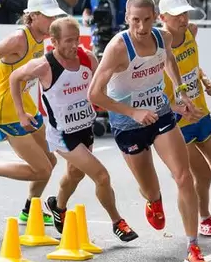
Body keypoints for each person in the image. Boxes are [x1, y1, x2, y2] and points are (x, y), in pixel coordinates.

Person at [88, 0, 209, 262]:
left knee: (183, 176)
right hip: (128, 124)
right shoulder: (118, 48)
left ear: (155, 17)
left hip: (161, 113)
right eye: (135, 21)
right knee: (150, 188)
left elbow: (169, 60)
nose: (141, 27)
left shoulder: (163, 37)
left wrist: (180, 92)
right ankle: (154, 200)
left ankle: (193, 247)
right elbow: (94, 94)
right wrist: (133, 112)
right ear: (126, 19)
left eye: (146, 20)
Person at [9, 16, 138, 242]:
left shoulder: (87, 58)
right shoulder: (44, 65)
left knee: (75, 174)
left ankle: (57, 207)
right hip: (62, 135)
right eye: (68, 40)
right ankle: (118, 222)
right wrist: (21, 113)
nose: (74, 45)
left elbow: (102, 86)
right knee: (101, 176)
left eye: (76, 39)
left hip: (85, 128)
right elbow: (14, 78)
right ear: (54, 42)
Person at [0, 0, 65, 223]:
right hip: (7, 112)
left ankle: (29, 210)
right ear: (32, 16)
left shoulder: (41, 37)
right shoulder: (18, 39)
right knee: (42, 169)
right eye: (48, 16)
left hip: (27, 107)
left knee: (50, 162)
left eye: (54, 16)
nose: (53, 21)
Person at [159, 0, 211, 238]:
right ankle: (204, 218)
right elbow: (150, 91)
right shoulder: (157, 47)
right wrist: (175, 106)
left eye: (185, 13)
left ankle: (186, 179)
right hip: (178, 124)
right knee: (201, 173)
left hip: (201, 114)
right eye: (176, 15)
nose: (183, 18)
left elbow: (192, 66)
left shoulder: (191, 31)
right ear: (162, 18)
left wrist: (204, 78)